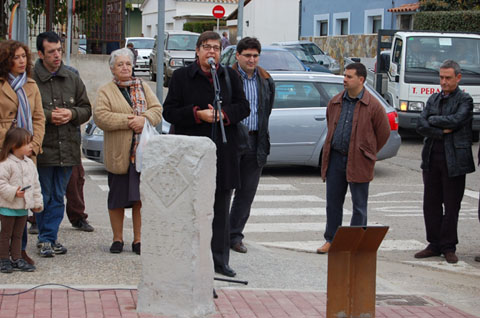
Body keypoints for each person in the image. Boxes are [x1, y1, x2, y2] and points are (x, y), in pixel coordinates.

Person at [163, 31, 249, 277]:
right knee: (189, 209)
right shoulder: (181, 77)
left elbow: (244, 106)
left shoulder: (229, 75)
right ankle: (186, 259)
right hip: (191, 154)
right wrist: (196, 114)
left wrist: (224, 114)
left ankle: (219, 262)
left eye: (217, 48)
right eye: (207, 47)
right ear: (198, 51)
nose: (212, 52)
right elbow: (169, 112)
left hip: (223, 153)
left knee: (221, 210)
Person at [94, 48, 162, 255]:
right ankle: (117, 238)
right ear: (112, 68)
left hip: (141, 153)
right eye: (120, 64)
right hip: (119, 153)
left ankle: (139, 240)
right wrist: (130, 121)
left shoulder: (143, 86)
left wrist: (145, 119)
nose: (125, 67)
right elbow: (101, 116)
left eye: (128, 64)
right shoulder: (105, 90)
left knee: (140, 199)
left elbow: (157, 110)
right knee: (117, 199)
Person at [317, 62, 390, 254]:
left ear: (361, 80)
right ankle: (331, 240)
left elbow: (383, 133)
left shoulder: (373, 105)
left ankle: (354, 243)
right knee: (333, 203)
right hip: (335, 159)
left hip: (358, 160)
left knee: (359, 205)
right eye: (345, 76)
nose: (345, 80)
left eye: (349, 77)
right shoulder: (335, 102)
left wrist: (367, 152)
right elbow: (331, 124)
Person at [32, 31, 92, 258]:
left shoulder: (72, 77)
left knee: (58, 195)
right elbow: (23, 111)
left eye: (59, 50)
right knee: (44, 195)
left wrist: (71, 113)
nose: (57, 55)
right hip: (42, 148)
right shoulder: (31, 78)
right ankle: (45, 238)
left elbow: (87, 108)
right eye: (51, 52)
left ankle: (50, 237)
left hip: (67, 148)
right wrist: (48, 116)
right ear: (40, 54)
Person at [415, 60, 475, 264]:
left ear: (458, 77)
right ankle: (434, 243)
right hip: (432, 156)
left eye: (448, 78)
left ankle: (448, 246)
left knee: (451, 205)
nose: (444, 82)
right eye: (441, 77)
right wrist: (441, 130)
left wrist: (433, 121)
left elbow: (457, 120)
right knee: (430, 204)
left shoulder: (465, 100)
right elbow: (421, 124)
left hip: (455, 159)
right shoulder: (433, 98)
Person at [0, 40, 45, 265]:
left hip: (27, 152)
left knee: (23, 202)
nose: (21, 61)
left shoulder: (31, 85)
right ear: (6, 60)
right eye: (15, 57)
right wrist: (8, 144)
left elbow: (38, 118)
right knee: (5, 202)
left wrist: (34, 145)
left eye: (23, 57)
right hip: (4, 151)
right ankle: (3, 254)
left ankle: (20, 251)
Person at [229, 37, 275, 254]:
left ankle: (235, 236)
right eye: (247, 55)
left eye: (255, 55)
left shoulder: (266, 80)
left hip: (256, 141)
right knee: (224, 190)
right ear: (238, 56)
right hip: (231, 140)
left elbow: (267, 110)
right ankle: (218, 235)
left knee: (246, 193)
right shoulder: (227, 77)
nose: (252, 59)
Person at [0, 128, 43, 273]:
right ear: (14, 145)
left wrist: (37, 203)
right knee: (6, 234)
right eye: (27, 143)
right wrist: (13, 192)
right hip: (7, 206)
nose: (31, 145)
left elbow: (35, 185)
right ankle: (4, 259)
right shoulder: (5, 163)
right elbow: (1, 183)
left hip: (22, 207)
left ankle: (17, 258)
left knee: (18, 234)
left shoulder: (30, 163)